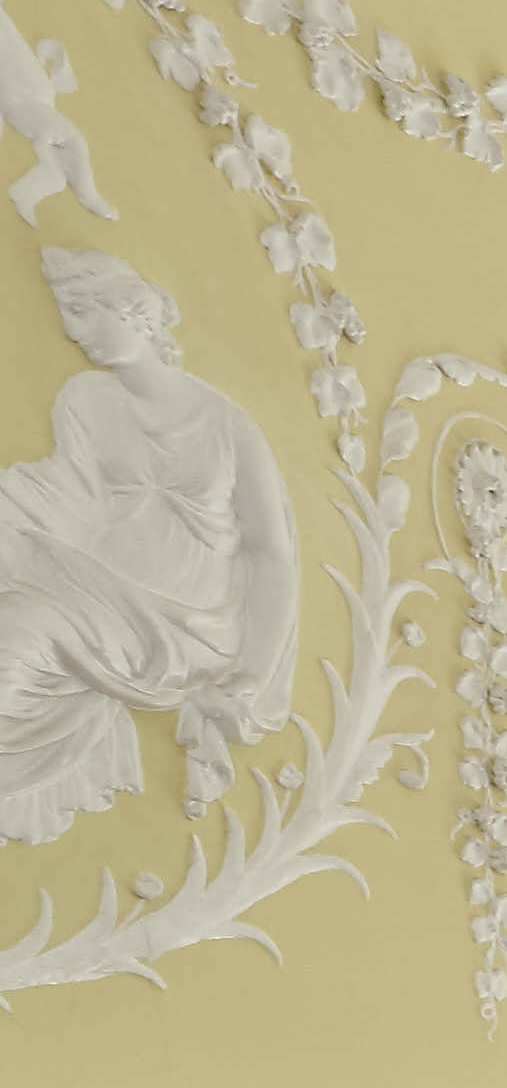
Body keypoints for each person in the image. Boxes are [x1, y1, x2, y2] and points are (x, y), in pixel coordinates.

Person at [0, 242, 300, 844]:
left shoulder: (226, 423)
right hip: (96, 592)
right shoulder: (85, 399)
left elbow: (271, 553)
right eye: (67, 313)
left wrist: (253, 671)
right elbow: (71, 496)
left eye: (85, 311)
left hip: (188, 626)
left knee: (17, 633)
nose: (74, 330)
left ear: (133, 310)